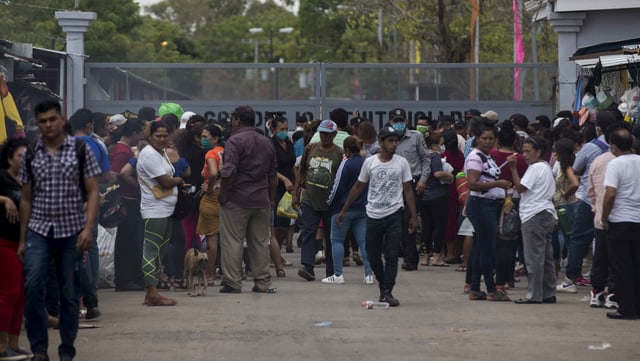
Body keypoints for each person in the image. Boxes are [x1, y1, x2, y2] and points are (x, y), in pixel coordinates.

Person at [18, 100, 101, 361]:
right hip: (39, 230)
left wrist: (88, 229)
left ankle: (66, 350)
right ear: (38, 123)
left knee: (69, 293)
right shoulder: (31, 153)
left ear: (61, 119)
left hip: (71, 231)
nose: (48, 125)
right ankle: (39, 350)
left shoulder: (79, 150)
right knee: (33, 287)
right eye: (43, 121)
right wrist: (22, 239)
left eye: (52, 119)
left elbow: (92, 190)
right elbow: (26, 198)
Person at [338, 126, 417, 307]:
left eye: (396, 140)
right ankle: (383, 284)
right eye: (390, 141)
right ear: (381, 142)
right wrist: (344, 209)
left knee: (391, 254)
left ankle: (387, 291)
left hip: (395, 213)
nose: (394, 144)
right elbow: (358, 187)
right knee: (372, 255)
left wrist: (413, 215)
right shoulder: (370, 162)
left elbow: (408, 190)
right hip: (373, 214)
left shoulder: (401, 163)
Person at [218, 105, 278, 294]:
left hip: (237, 199)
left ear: (237, 120)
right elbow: (273, 176)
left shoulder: (234, 141)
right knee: (260, 242)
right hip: (261, 200)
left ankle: (233, 283)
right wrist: (270, 199)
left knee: (233, 242)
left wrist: (223, 193)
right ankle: (262, 283)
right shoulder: (266, 141)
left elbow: (229, 172)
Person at [557, 111, 617, 293]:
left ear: (597, 127)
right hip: (615, 199)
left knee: (578, 238)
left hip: (588, 198)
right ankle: (608, 282)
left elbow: (575, 169)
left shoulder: (591, 147)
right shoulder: (624, 146)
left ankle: (571, 278)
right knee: (607, 239)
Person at [371, 108, 429, 271]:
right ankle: (395, 252)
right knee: (392, 220)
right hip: (392, 183)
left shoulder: (416, 137)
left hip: (412, 183)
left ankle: (410, 259)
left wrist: (423, 180)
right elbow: (374, 150)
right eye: (395, 121)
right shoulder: (385, 138)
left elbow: (426, 160)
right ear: (390, 122)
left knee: (408, 220)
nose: (399, 123)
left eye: (401, 120)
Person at [137, 120, 185, 306]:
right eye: (158, 136)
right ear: (150, 137)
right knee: (151, 251)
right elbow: (165, 181)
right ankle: (152, 292)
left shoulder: (161, 153)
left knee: (160, 251)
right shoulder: (149, 154)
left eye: (165, 136)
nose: (162, 139)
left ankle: (152, 291)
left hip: (165, 209)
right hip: (154, 210)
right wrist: (178, 180)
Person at [464, 124, 511, 302]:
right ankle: (491, 289)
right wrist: (497, 184)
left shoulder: (488, 156)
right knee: (487, 249)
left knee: (481, 248)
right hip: (482, 205)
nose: (488, 141)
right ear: (477, 138)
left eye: (491, 138)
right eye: (484, 138)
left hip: (489, 205)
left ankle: (475, 287)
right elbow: (472, 184)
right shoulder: (475, 157)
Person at [292, 120, 344, 281]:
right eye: (322, 133)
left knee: (331, 236)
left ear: (334, 135)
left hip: (330, 201)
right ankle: (308, 266)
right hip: (310, 198)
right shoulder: (311, 148)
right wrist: (295, 193)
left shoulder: (339, 153)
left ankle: (331, 270)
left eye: (328, 134)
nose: (324, 137)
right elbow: (302, 170)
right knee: (308, 231)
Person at [508, 137, 558, 304]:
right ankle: (548, 292)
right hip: (545, 212)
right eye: (523, 151)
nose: (525, 155)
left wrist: (513, 168)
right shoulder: (545, 167)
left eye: (528, 151)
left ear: (538, 152)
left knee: (534, 256)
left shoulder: (536, 167)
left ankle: (534, 294)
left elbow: (521, 187)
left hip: (534, 214)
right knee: (545, 256)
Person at [323, 136, 374, 284]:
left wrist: (329, 203)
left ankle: (338, 274)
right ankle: (369, 274)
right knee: (364, 241)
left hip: (343, 208)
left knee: (337, 240)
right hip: (363, 208)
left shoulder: (346, 164)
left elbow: (337, 187)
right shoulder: (367, 163)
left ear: (346, 150)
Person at [601, 125, 640, 320]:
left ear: (613, 147)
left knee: (622, 267)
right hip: (638, 221)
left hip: (620, 221)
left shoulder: (615, 164)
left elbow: (610, 194)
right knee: (636, 265)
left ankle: (627, 308)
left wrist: (604, 217)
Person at [0, 137, 31, 360]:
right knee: (9, 292)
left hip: (25, 244)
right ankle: (1, 346)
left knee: (20, 295)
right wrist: (3, 200)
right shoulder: (2, 178)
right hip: (4, 242)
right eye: (21, 156)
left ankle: (14, 343)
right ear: (10, 159)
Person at [109, 118, 145, 291]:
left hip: (129, 199)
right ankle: (124, 278)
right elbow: (116, 177)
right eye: (139, 133)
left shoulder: (123, 150)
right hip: (127, 200)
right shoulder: (122, 152)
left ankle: (129, 277)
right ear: (133, 133)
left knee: (130, 241)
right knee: (126, 241)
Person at [420, 131, 454, 267]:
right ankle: (437, 256)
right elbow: (438, 173)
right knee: (439, 226)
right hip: (438, 195)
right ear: (434, 145)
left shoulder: (422, 156)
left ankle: (426, 256)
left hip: (424, 196)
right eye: (441, 144)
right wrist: (450, 176)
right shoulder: (435, 157)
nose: (442, 147)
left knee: (427, 227)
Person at [197, 125, 224, 282]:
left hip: (212, 197)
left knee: (211, 238)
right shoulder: (227, 152)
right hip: (227, 197)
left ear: (215, 139)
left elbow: (213, 173)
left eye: (206, 137)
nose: (203, 140)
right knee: (227, 238)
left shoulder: (211, 153)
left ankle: (210, 273)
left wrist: (210, 186)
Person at [269, 116, 296, 264]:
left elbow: (292, 164)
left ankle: (277, 254)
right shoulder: (270, 145)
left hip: (289, 188)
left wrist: (296, 182)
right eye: (281, 129)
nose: (285, 132)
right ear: (274, 130)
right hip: (276, 186)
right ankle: (275, 256)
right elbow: (270, 167)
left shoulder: (289, 143)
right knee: (277, 223)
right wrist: (284, 179)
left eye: (286, 129)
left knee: (286, 222)